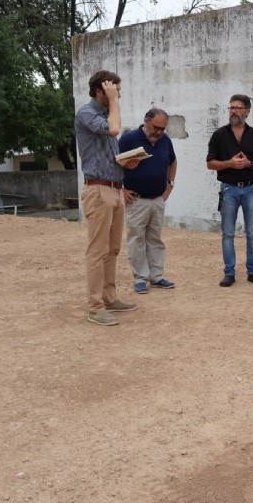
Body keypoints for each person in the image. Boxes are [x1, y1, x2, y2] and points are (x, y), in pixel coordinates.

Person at [75, 70, 140, 326]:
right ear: (101, 90)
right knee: (97, 250)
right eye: (115, 90)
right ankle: (95, 306)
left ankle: (109, 298)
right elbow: (113, 130)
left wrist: (126, 164)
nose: (119, 94)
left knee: (112, 249)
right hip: (98, 190)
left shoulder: (105, 114)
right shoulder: (87, 113)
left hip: (114, 188)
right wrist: (114, 102)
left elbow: (107, 152)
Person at [206, 94, 253, 287]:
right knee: (227, 233)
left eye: (238, 108)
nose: (233, 111)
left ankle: (252, 272)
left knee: (251, 232)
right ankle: (229, 273)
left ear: (247, 111)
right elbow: (210, 164)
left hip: (251, 189)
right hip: (228, 189)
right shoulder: (219, 135)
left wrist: (249, 163)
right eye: (231, 107)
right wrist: (230, 164)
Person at [119, 108, 178, 294]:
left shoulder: (165, 140)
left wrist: (169, 185)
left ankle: (157, 276)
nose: (159, 132)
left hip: (157, 199)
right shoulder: (129, 139)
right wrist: (121, 190)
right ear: (146, 121)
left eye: (163, 129)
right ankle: (140, 279)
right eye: (156, 127)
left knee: (155, 239)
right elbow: (113, 163)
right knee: (136, 240)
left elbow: (173, 161)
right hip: (136, 200)